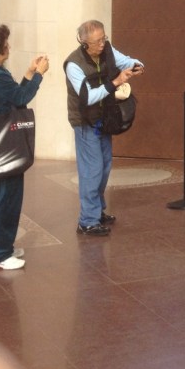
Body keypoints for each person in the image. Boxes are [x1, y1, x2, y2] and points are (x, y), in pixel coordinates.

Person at [0, 24, 49, 271]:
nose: (9, 46)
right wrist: (39, 75)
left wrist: (28, 73)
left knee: (0, 196)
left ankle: (0, 247)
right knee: (7, 198)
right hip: (5, 145)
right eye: (6, 42)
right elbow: (21, 98)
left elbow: (13, 93)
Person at [64, 19, 143, 235]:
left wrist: (136, 65)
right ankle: (87, 221)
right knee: (92, 170)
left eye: (104, 39)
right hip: (84, 122)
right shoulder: (73, 64)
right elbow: (88, 97)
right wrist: (116, 82)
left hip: (104, 119)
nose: (102, 44)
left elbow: (124, 60)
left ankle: (97, 212)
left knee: (105, 166)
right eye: (97, 41)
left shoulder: (106, 49)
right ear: (83, 42)